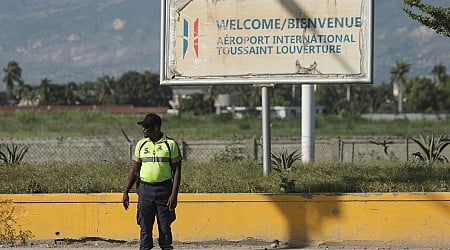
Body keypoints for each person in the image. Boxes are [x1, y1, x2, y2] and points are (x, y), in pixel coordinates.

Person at [122, 113, 182, 250]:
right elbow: (134, 169)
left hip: (164, 190)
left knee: (165, 226)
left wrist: (174, 195)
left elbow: (177, 171)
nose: (143, 130)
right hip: (145, 190)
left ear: (156, 128)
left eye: (146, 127)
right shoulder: (141, 145)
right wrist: (126, 192)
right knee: (144, 227)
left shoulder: (170, 144)